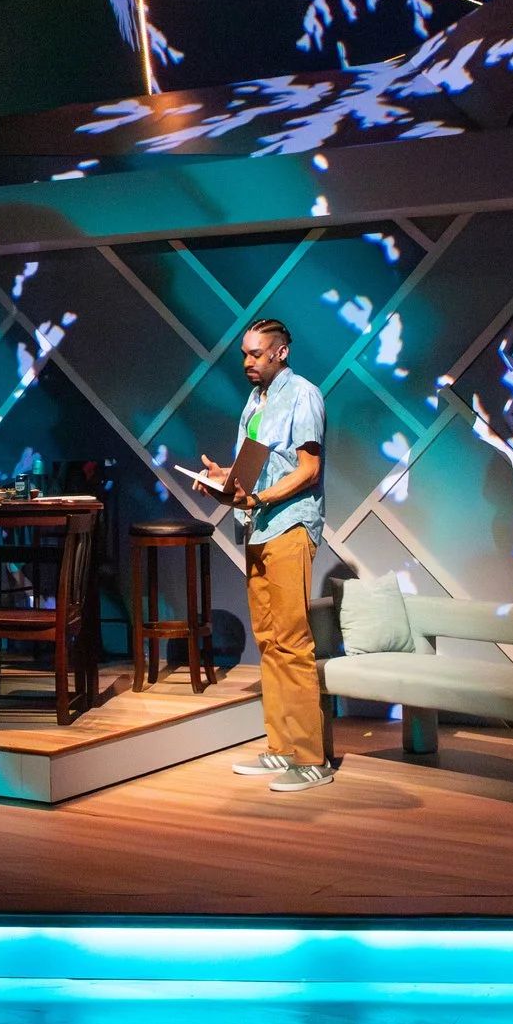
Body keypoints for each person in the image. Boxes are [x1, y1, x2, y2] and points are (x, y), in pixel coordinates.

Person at [194, 317, 333, 793]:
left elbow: (308, 470)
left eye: (256, 354)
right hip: (256, 529)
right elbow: (255, 469)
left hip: (290, 527)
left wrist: (261, 499)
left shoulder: (304, 395)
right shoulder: (255, 401)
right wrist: (223, 478)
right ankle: (281, 748)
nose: (248, 363)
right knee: (269, 641)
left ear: (281, 352)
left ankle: (312, 759)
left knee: (292, 642)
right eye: (245, 355)